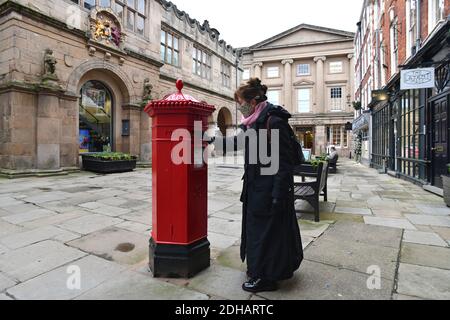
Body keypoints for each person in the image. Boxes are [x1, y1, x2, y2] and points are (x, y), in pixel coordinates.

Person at [213, 78, 303, 293]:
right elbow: (237, 142)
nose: (239, 107)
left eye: (241, 102)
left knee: (266, 234)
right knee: (257, 232)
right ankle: (260, 269)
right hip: (255, 188)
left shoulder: (274, 121)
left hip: (271, 190)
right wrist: (209, 141)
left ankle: (266, 278)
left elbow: (283, 163)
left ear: (253, 101)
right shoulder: (254, 121)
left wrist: (277, 196)